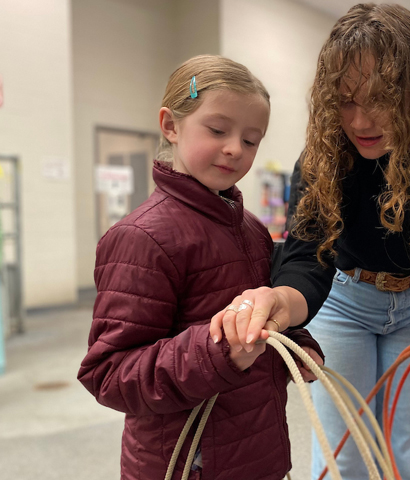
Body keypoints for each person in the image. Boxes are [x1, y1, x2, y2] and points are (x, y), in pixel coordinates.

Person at [209, 5, 410, 480]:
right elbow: (307, 258)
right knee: (344, 455)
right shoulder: (326, 156)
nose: (361, 120)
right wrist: (279, 299)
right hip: (343, 302)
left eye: (380, 98)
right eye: (346, 101)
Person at [77, 55, 324, 480]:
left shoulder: (251, 229)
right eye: (217, 130)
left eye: (251, 140)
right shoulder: (141, 238)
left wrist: (294, 342)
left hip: (256, 449)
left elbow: (259, 309)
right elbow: (108, 374)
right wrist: (216, 352)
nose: (234, 149)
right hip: (189, 463)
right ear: (171, 126)